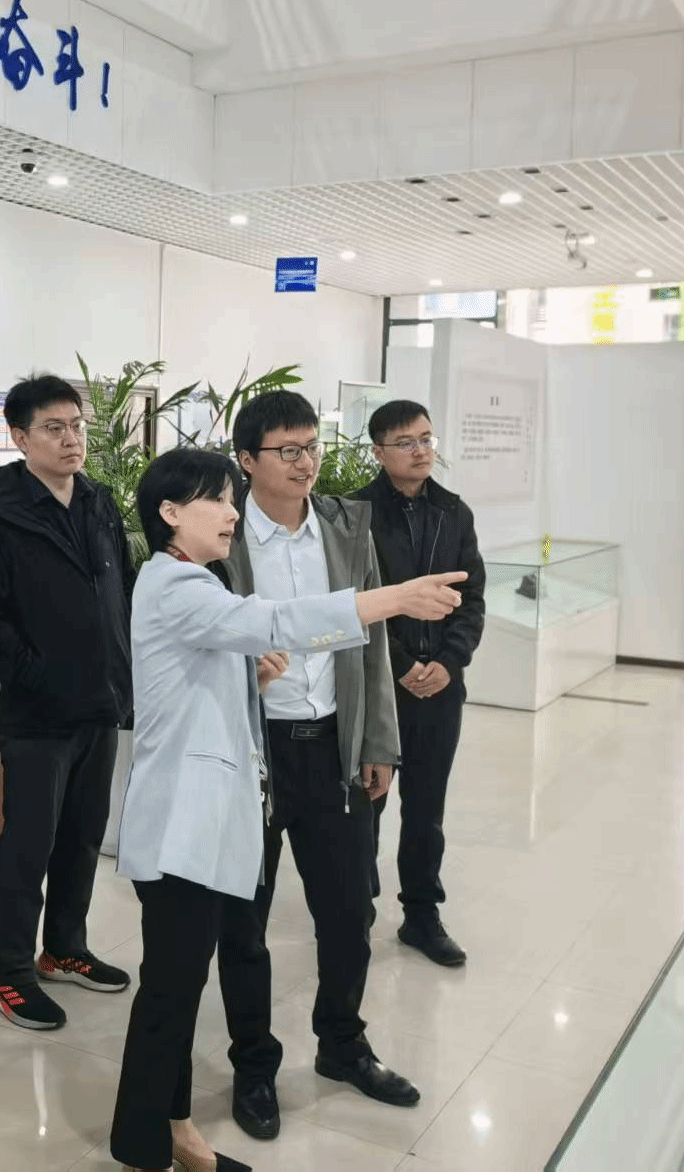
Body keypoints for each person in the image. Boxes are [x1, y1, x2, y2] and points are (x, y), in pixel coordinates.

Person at [110, 448, 466, 1172]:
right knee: (170, 995)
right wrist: (392, 599)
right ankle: (150, 1146)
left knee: (175, 991)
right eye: (217, 500)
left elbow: (207, 676)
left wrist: (254, 675)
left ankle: (168, 1134)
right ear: (170, 512)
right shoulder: (177, 583)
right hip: (181, 827)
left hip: (195, 824)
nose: (232, 514)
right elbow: (278, 619)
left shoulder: (190, 582)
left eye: (231, 499)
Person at [214, 391, 415, 1143]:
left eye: (311, 448)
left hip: (334, 746)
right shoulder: (222, 537)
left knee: (348, 912)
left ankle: (341, 1042)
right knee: (245, 920)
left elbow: (373, 640)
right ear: (247, 460)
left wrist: (377, 741)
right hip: (255, 754)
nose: (306, 463)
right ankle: (254, 1063)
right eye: (287, 450)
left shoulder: (343, 527)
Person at [0, 375, 135, 1031]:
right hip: (39, 716)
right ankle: (8, 973)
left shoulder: (97, 502)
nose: (71, 439)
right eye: (54, 428)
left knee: (83, 836)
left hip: (101, 706)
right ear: (20, 437)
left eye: (77, 426)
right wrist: (43, 679)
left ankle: (64, 947)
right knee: (29, 844)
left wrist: (121, 676)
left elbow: (122, 593)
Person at [353, 400, 487, 968]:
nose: (420, 450)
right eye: (406, 442)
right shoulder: (355, 513)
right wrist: (402, 664)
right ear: (379, 451)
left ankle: (422, 915)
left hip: (440, 687)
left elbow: (472, 598)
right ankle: (355, 909)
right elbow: (355, 602)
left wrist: (449, 663)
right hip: (380, 687)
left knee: (427, 807)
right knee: (366, 803)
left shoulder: (454, 512)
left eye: (427, 438)